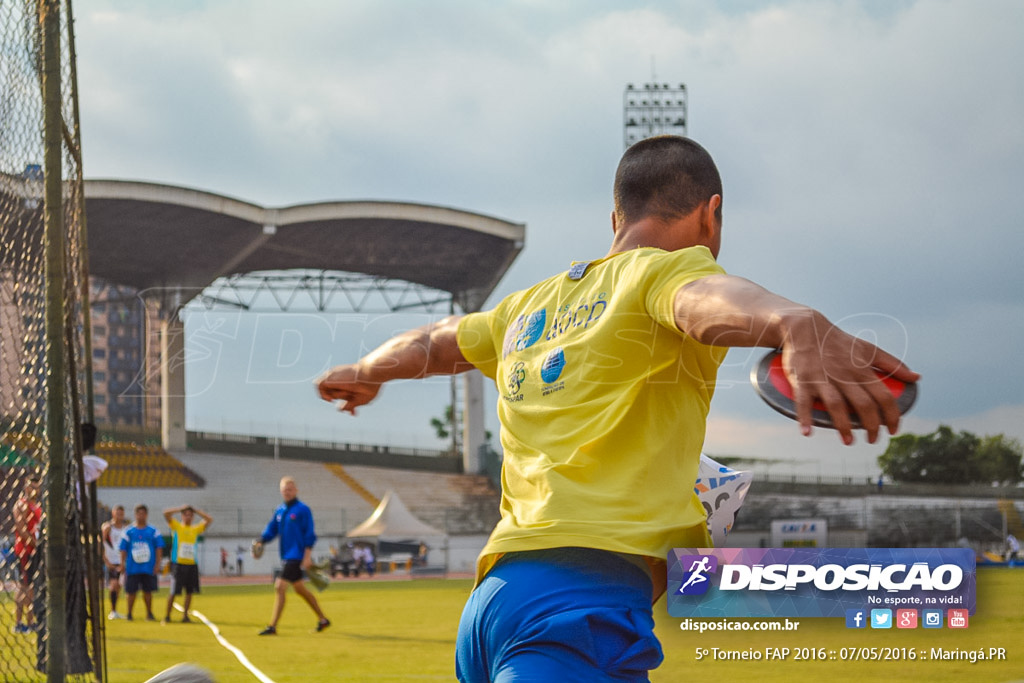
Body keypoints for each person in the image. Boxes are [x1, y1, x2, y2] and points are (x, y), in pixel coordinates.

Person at [316, 135, 920, 681]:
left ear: (615, 218)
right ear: (712, 215)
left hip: (493, 606)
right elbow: (704, 298)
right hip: (577, 611)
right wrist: (794, 320)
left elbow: (438, 340)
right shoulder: (663, 272)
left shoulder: (528, 307)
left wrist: (366, 371)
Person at [253, 476, 330, 635]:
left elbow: (310, 534)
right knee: (300, 590)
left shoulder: (303, 510)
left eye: (290, 489)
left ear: (296, 490)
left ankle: (272, 626)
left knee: (280, 586)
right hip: (286, 555)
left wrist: (307, 556)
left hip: (296, 555)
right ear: (281, 492)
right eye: (284, 490)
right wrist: (261, 541)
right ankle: (323, 620)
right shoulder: (280, 510)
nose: (287, 492)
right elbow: (271, 530)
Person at [162, 505, 213, 624]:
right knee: (174, 591)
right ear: (182, 516)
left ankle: (185, 616)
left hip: (191, 564)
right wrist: (179, 508)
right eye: (186, 514)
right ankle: (167, 616)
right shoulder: (177, 527)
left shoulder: (195, 529)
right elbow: (166, 514)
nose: (188, 517)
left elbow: (209, 520)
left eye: (190, 515)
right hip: (178, 564)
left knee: (190, 592)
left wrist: (197, 510)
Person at [119, 504, 164, 621]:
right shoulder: (128, 531)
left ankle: (149, 613)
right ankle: (129, 614)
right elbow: (123, 549)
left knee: (148, 592)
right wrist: (122, 564)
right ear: (135, 515)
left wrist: (157, 565)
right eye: (139, 513)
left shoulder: (153, 531)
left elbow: (159, 548)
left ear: (146, 515)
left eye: (143, 513)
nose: (141, 516)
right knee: (131, 591)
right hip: (133, 567)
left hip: (148, 567)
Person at [12, 474, 42, 633]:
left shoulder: (37, 506)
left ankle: (30, 621)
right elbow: (21, 528)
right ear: (26, 486)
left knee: (31, 587)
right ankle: (19, 622)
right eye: (32, 486)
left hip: (34, 551)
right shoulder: (21, 505)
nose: (34, 490)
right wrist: (34, 544)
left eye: (37, 487)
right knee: (25, 587)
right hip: (25, 551)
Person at [101, 504, 129, 619]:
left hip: (121, 561)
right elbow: (100, 544)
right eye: (117, 513)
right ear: (113, 513)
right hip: (111, 560)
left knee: (119, 586)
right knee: (113, 585)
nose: (119, 516)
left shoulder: (125, 528)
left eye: (121, 514)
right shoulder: (108, 527)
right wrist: (106, 561)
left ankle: (115, 609)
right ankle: (112, 611)